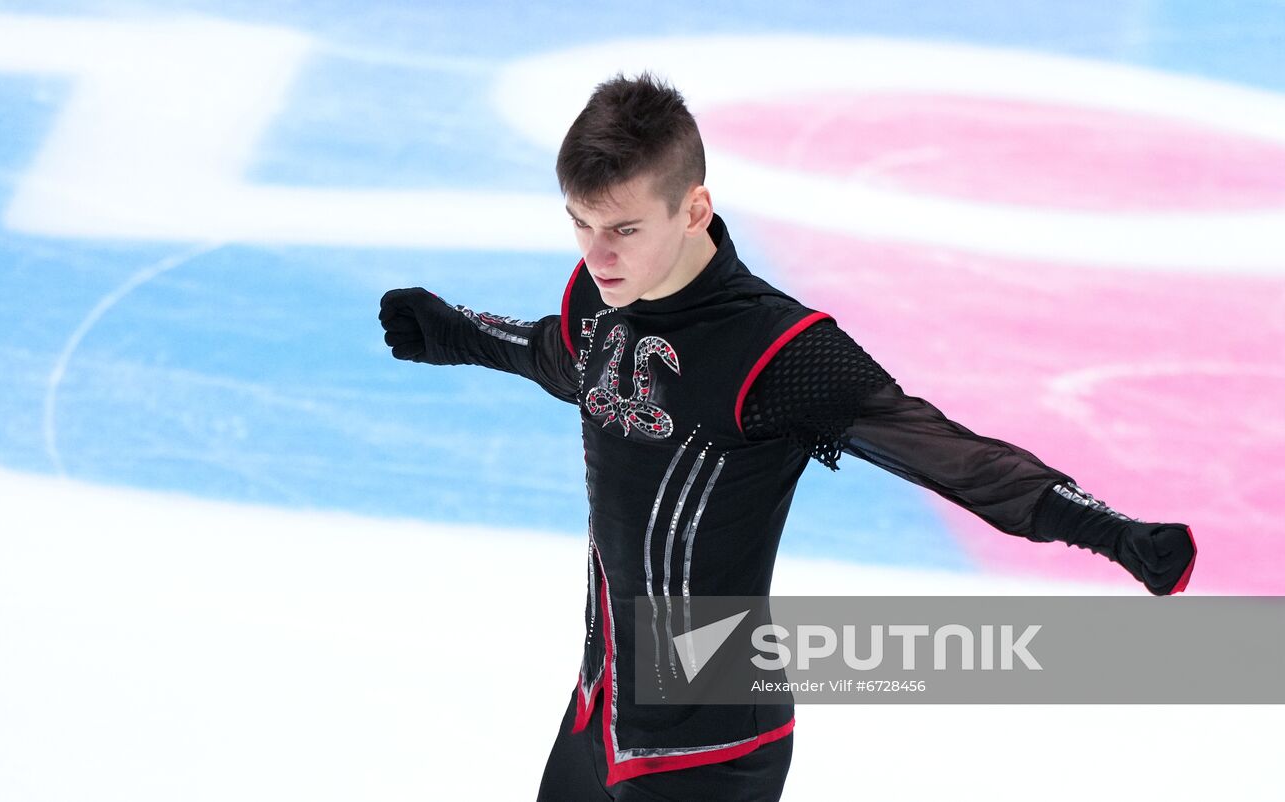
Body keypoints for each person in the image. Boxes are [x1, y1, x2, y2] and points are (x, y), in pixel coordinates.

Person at [378, 73, 1197, 802]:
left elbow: (949, 453)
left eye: (622, 229)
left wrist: (1109, 531)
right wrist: (452, 330)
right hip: (602, 709)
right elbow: (568, 358)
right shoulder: (601, 298)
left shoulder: (782, 353)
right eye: (580, 224)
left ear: (694, 207)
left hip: (713, 746)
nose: (596, 255)